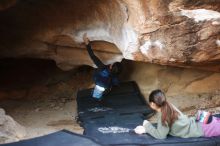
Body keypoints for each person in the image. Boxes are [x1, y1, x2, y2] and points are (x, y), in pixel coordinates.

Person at [134, 89, 220, 139]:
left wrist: (147, 126)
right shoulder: (169, 105)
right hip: (201, 121)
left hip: (203, 128)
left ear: (152, 104)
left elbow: (161, 135)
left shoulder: (163, 116)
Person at [83, 33, 122, 100]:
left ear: (111, 66)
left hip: (97, 82)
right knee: (108, 85)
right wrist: (116, 84)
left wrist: (87, 44)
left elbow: (93, 56)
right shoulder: (114, 75)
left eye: (112, 64)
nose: (111, 63)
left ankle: (96, 91)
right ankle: (100, 94)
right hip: (105, 87)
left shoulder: (102, 68)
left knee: (98, 88)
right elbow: (116, 83)